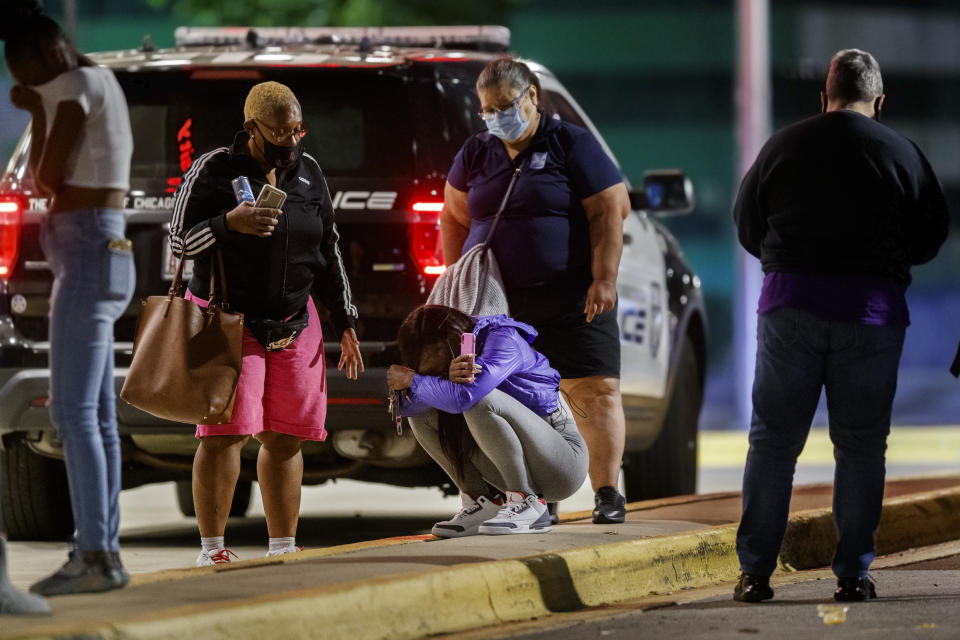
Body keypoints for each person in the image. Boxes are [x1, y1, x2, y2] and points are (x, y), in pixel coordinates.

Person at [732, 49, 949, 603]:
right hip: (871, 317)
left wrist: (789, 262)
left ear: (823, 98)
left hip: (790, 308)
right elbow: (931, 234)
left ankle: (755, 574)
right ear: (879, 101)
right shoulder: (902, 151)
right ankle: (852, 574)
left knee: (774, 444)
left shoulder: (783, 145)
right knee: (860, 448)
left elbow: (747, 224)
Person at [168, 81, 363, 565]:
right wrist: (226, 225)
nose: (291, 139)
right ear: (251, 126)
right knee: (225, 433)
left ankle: (283, 546)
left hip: (295, 319)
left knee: (284, 436)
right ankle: (212, 548)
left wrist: (346, 321)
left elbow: (328, 250)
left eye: (297, 129)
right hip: (230, 322)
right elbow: (177, 242)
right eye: (279, 130)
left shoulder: (310, 173)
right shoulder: (214, 169)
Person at [440, 58, 632, 524]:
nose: (496, 115)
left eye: (505, 105)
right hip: (501, 307)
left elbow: (610, 209)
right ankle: (529, 497)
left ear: (531, 97)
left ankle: (607, 493)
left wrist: (603, 278)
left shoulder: (570, 143)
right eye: (487, 108)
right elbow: (453, 216)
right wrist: (457, 279)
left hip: (572, 297)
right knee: (509, 397)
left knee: (594, 390)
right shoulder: (476, 152)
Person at [3, 5, 135, 595]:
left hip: (83, 251)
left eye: (25, 73)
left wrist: (36, 111)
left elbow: (47, 179)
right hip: (107, 249)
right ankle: (102, 549)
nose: (27, 86)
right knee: (98, 416)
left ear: (43, 57)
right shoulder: (100, 76)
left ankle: (94, 556)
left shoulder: (70, 88)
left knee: (73, 414)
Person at [388, 305, 588, 536]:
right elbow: (408, 408)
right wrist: (437, 378)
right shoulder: (453, 350)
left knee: (479, 401)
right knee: (422, 415)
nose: (438, 372)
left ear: (457, 344)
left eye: (440, 367)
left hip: (562, 464)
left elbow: (466, 397)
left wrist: (414, 381)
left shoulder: (503, 339)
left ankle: (526, 502)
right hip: (509, 465)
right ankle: (480, 503)